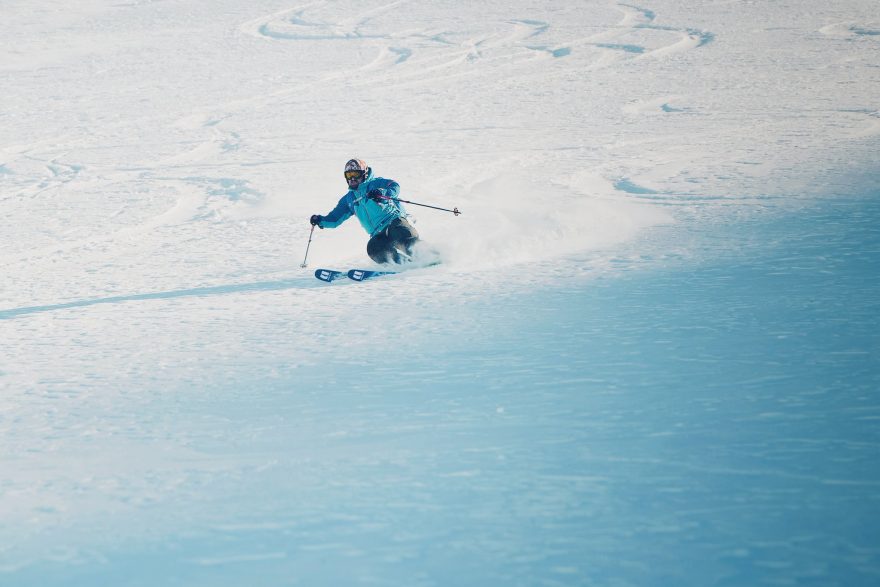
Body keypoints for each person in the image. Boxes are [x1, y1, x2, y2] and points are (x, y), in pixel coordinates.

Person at [310, 158, 420, 264]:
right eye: (349, 175)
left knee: (401, 235)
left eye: (356, 174)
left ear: (364, 174)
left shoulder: (375, 184)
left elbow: (394, 186)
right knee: (373, 249)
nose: (352, 178)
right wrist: (320, 220)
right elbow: (335, 219)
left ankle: (424, 255)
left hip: (393, 221)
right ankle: (402, 264)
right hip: (377, 233)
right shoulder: (349, 199)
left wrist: (381, 192)